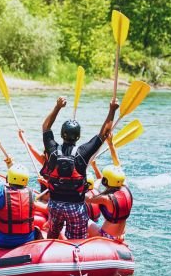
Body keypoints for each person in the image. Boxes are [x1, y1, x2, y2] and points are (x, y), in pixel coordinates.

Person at [42, 96, 118, 239]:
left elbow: (46, 127)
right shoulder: (83, 152)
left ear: (62, 134)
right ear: (78, 137)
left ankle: (51, 243)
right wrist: (112, 110)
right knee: (76, 240)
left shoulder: (52, 150)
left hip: (55, 205)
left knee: (52, 233)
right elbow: (104, 133)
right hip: (75, 207)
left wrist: (58, 106)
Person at [0, 135, 40, 248]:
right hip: (27, 240)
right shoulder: (31, 194)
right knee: (38, 230)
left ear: (8, 178)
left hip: (4, 242)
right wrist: (10, 165)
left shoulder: (1, 192)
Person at [86, 134, 133, 241]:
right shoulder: (125, 187)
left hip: (105, 235)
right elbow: (118, 165)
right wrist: (111, 144)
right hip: (120, 235)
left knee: (84, 220)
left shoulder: (106, 198)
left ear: (106, 181)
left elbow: (85, 198)